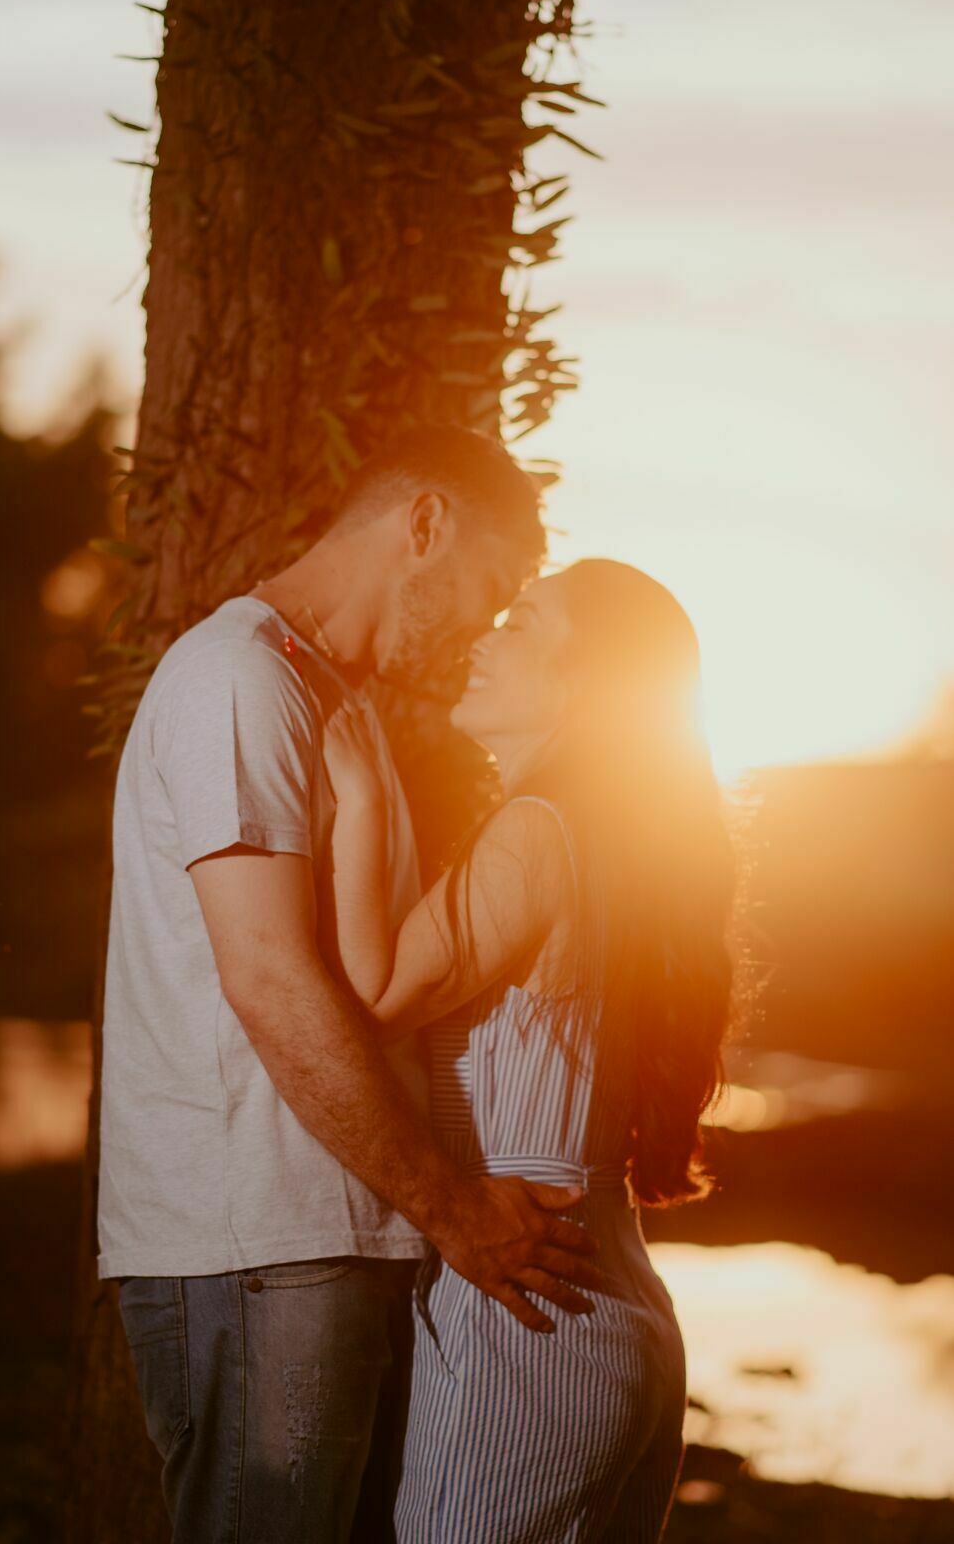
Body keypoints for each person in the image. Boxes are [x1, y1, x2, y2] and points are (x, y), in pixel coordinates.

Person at [97, 425, 606, 1543]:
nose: (485, 617)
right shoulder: (239, 676)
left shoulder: (334, 703)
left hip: (328, 1242)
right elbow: (271, 979)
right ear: (422, 525)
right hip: (258, 1248)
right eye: (493, 583)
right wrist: (457, 1207)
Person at [323, 558, 738, 1542]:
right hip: (613, 1297)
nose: (486, 636)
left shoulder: (536, 830)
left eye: (521, 621)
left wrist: (361, 792)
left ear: (582, 681)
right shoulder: (610, 842)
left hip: (528, 1307)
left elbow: (372, 995)